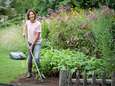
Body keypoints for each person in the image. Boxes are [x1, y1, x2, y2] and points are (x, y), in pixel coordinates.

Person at [23, 9, 42, 78]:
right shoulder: (27, 22)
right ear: (28, 16)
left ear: (34, 15)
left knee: (36, 58)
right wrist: (24, 33)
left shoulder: (38, 24)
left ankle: (40, 72)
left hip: (37, 43)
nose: (31, 15)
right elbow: (25, 27)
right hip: (29, 42)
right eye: (30, 14)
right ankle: (29, 73)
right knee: (30, 58)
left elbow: (37, 36)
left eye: (32, 14)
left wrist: (32, 45)